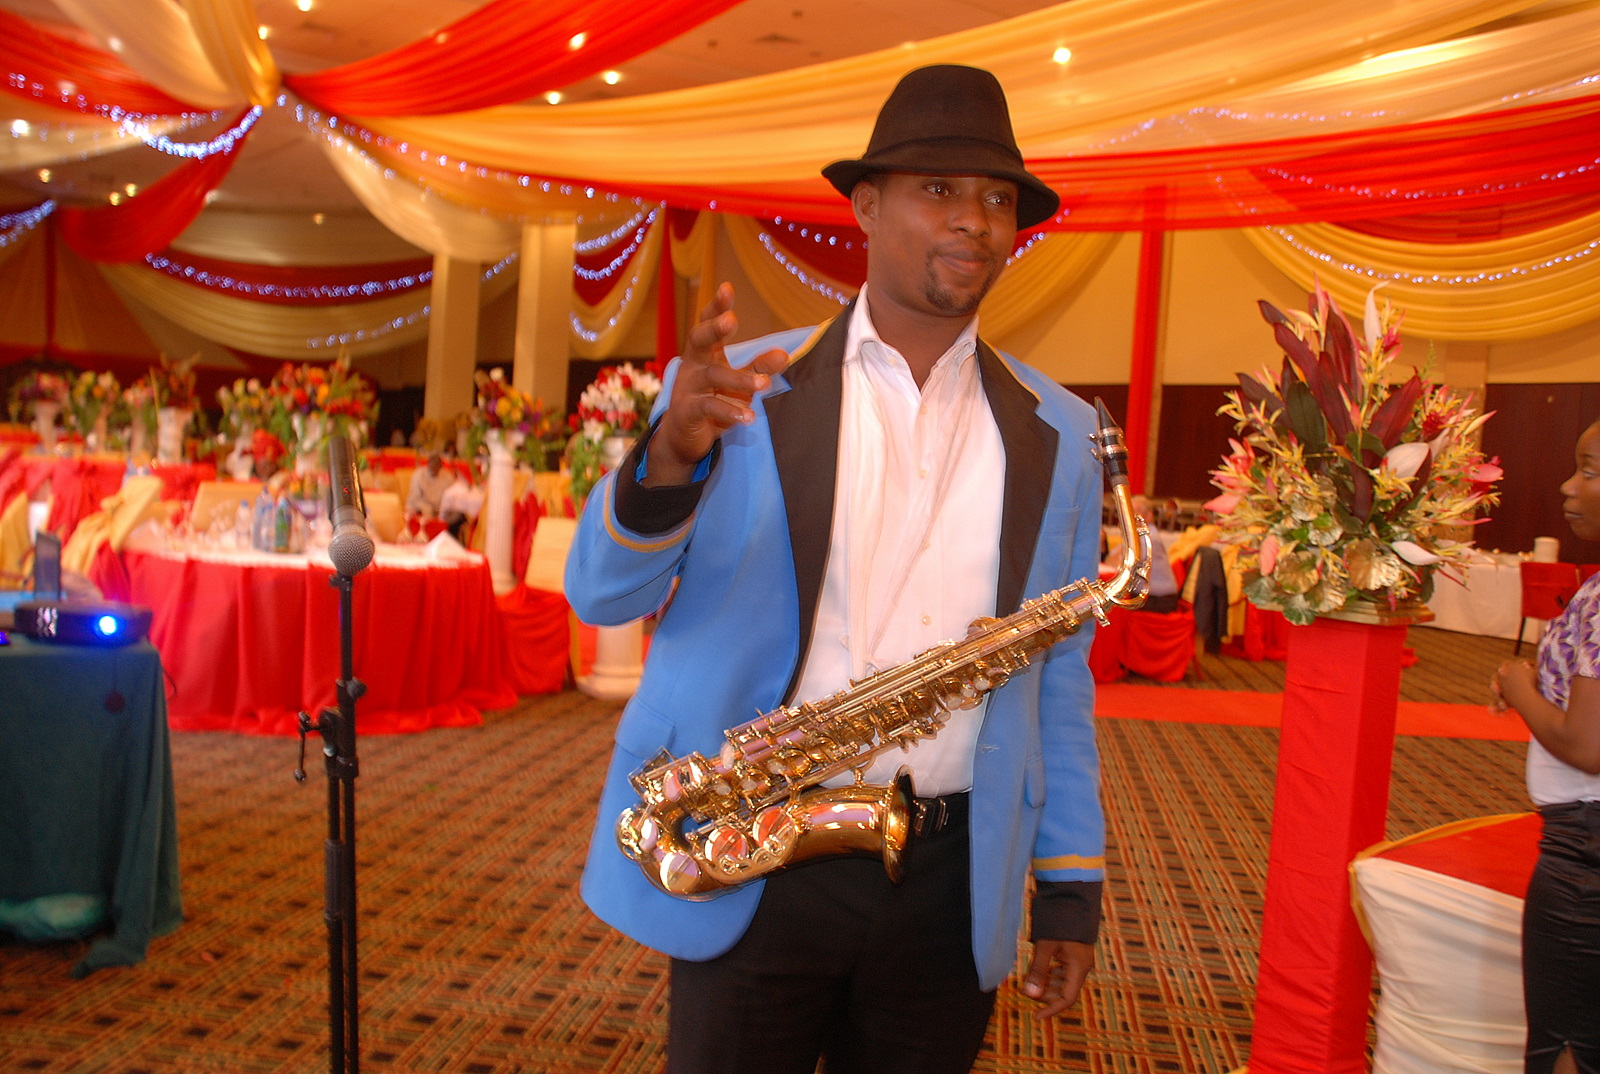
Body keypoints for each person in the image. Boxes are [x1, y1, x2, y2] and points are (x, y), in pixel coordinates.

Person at [567, 65, 1105, 1073]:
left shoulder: (1062, 435)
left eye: (997, 199)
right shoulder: (740, 392)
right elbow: (605, 594)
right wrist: (667, 460)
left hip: (951, 879)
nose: (976, 222)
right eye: (938, 190)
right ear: (864, 204)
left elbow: (1057, 679)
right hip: (755, 855)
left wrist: (1070, 884)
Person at [1491, 416, 1600, 1074]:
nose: (1566, 485)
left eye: (1588, 471)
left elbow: (1586, 744)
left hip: (1584, 853)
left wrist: (1517, 682)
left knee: (1566, 1045)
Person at [405, 449, 451, 518]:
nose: (434, 468)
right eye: (432, 466)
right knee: (426, 509)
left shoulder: (447, 476)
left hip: (439, 506)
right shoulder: (419, 475)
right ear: (428, 464)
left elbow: (449, 495)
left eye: (436, 466)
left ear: (440, 467)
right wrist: (429, 507)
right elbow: (415, 497)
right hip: (420, 504)